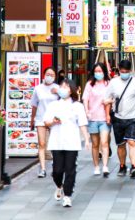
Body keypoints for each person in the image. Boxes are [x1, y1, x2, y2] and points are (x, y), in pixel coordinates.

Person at [44, 79, 90, 207]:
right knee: (57, 170)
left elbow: (82, 124)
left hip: (72, 142)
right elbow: (46, 121)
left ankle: (68, 195)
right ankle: (59, 185)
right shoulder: (53, 105)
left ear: (71, 90)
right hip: (56, 141)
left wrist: (86, 139)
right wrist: (53, 122)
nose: (63, 89)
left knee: (70, 169)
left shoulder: (77, 106)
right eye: (61, 86)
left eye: (66, 86)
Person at [103, 60, 135, 178]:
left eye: (127, 72)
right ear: (118, 71)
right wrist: (107, 115)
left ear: (131, 70)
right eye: (122, 72)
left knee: (132, 142)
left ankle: (134, 166)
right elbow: (107, 100)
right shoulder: (113, 83)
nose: (124, 74)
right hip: (117, 118)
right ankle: (122, 166)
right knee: (121, 144)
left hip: (132, 118)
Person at [29, 67, 59, 178]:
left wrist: (59, 92)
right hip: (40, 118)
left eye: (52, 75)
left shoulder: (57, 88)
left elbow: (66, 99)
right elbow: (34, 105)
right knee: (42, 144)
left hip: (53, 119)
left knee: (53, 144)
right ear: (44, 75)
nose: (49, 76)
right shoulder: (38, 88)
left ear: (55, 77)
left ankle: (55, 164)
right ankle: (42, 169)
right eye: (47, 74)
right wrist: (32, 119)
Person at [83, 63, 111, 176]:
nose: (98, 73)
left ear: (104, 72)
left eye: (100, 71)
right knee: (95, 144)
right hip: (92, 118)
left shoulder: (108, 84)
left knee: (104, 142)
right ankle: (96, 166)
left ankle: (105, 166)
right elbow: (85, 98)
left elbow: (114, 97)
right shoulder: (90, 84)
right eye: (96, 71)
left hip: (105, 117)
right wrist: (87, 111)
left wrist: (110, 102)